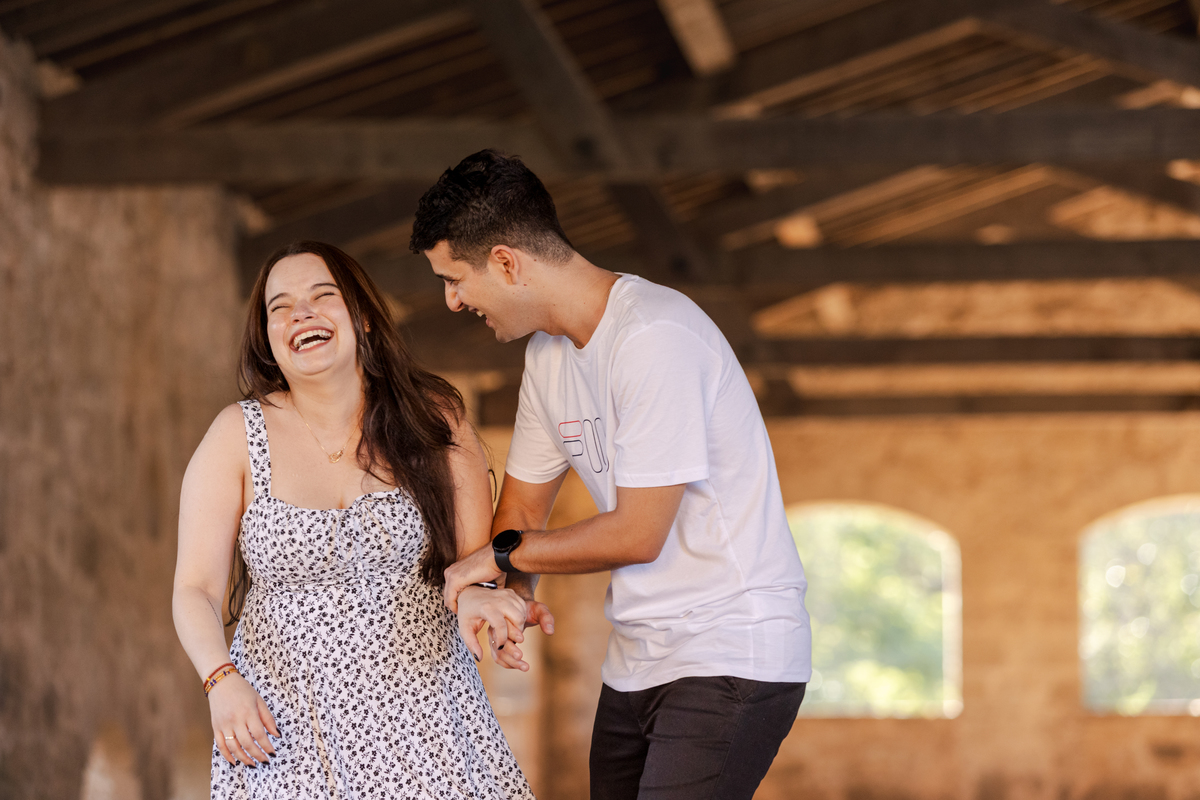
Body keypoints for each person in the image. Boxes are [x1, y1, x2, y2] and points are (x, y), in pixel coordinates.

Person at [411, 150, 812, 800]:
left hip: (731, 648)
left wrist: (500, 554)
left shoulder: (654, 335)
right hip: (636, 661)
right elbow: (522, 514)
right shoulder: (548, 355)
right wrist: (508, 593)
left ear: (507, 263)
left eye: (455, 279)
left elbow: (636, 534)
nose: (453, 302)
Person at [171, 241, 536, 799]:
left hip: (425, 723)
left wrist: (482, 596)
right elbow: (194, 588)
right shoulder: (235, 436)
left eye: (323, 297)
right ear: (269, 338)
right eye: (280, 307)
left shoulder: (433, 416)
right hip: (282, 728)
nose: (301, 314)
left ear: (362, 316)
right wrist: (221, 681)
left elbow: (471, 565)